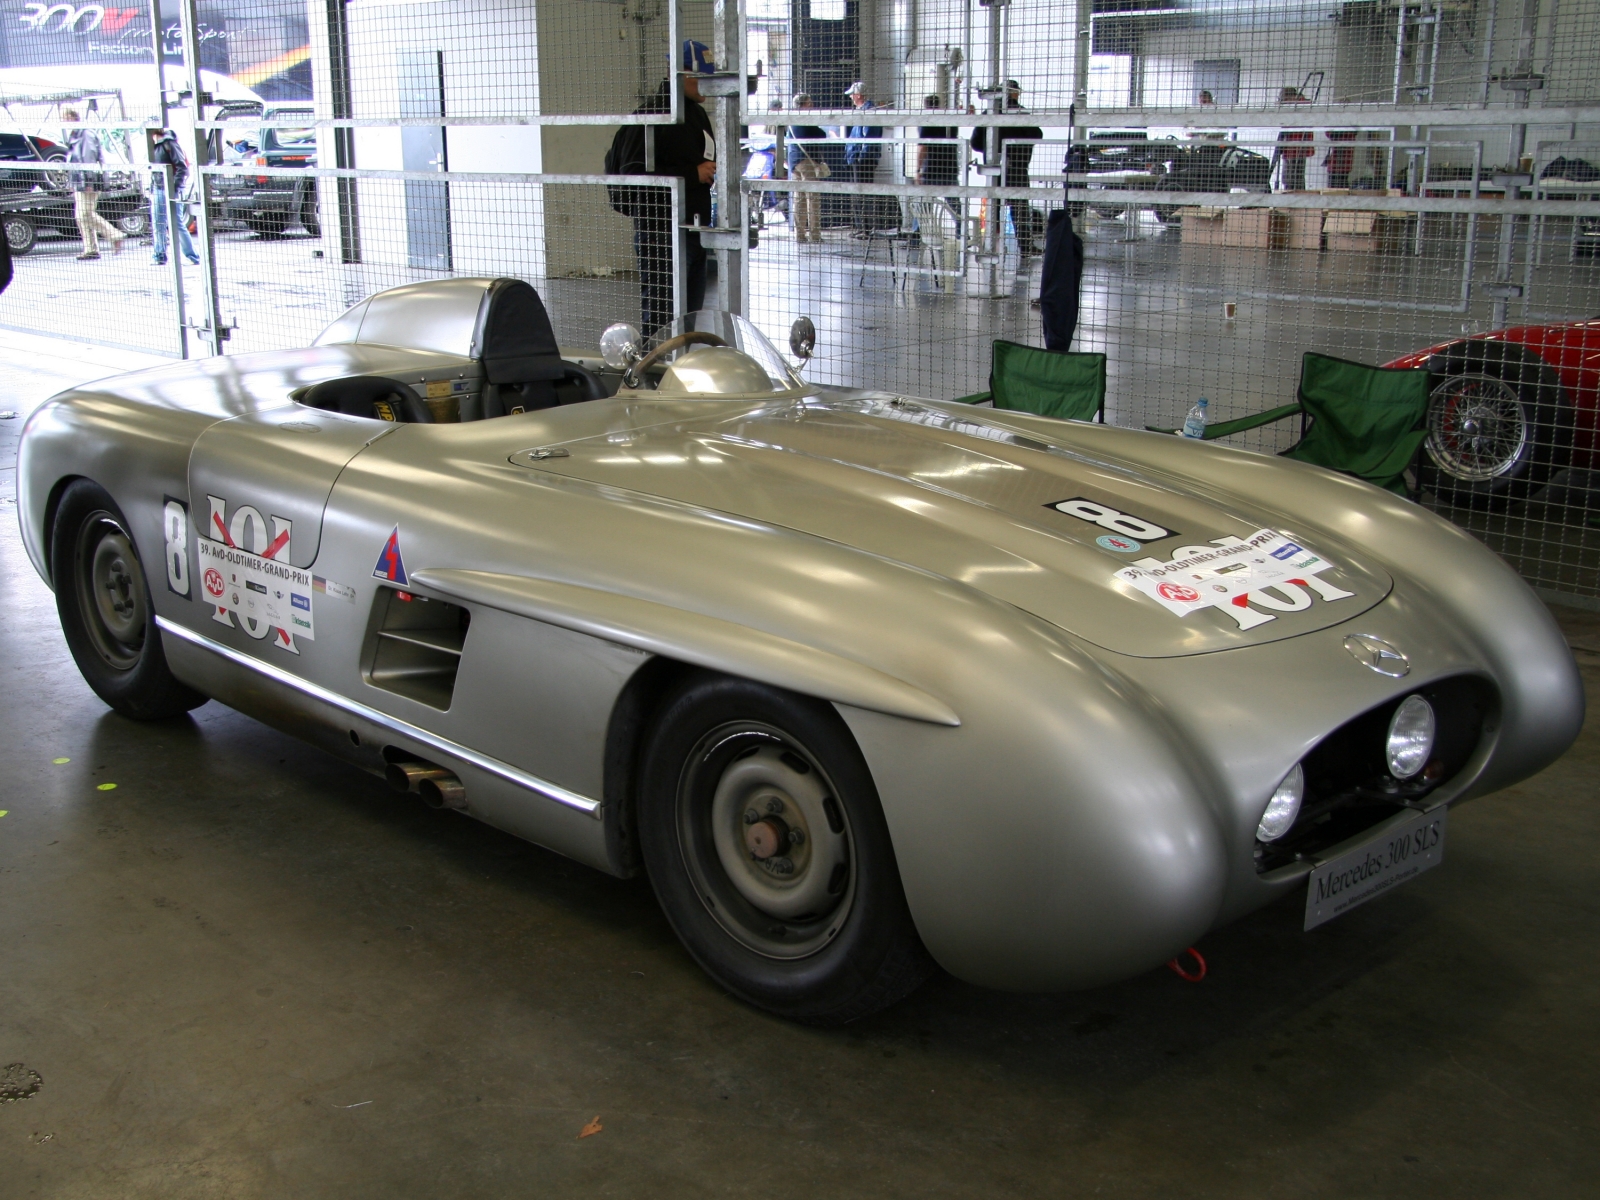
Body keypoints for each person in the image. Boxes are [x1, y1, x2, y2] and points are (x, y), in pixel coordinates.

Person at [631, 40, 717, 339]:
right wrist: (691, 174)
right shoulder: (652, 115)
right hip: (662, 234)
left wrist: (705, 173)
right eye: (702, 77)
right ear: (681, 74)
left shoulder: (696, 113)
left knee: (688, 319)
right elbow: (632, 176)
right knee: (661, 316)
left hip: (694, 230)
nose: (708, 85)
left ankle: (679, 372)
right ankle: (653, 376)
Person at [971, 80, 1043, 254]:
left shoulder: (989, 113)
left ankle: (988, 248)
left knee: (993, 208)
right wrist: (1019, 150)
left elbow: (975, 142)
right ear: (1015, 93)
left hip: (994, 169)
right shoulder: (1021, 113)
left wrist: (992, 152)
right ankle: (1026, 248)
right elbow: (1037, 135)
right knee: (1020, 210)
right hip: (1017, 169)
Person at [63, 108, 124, 260]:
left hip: (88, 180)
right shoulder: (76, 134)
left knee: (84, 213)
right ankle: (90, 248)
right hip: (79, 180)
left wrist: (88, 180)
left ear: (72, 117)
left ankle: (114, 235)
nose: (63, 121)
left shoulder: (85, 134)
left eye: (64, 117)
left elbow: (89, 158)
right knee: (80, 216)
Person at [148, 128, 199, 267]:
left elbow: (182, 167)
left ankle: (192, 256)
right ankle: (160, 255)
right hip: (160, 187)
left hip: (169, 188)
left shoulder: (168, 144)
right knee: (162, 223)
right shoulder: (158, 145)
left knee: (175, 223)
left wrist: (174, 187)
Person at [786, 94, 828, 244]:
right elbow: (821, 134)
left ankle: (800, 234)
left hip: (794, 161)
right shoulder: (805, 118)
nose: (812, 106)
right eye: (809, 103)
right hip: (806, 161)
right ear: (803, 105)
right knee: (813, 198)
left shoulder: (791, 119)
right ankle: (815, 235)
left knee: (799, 199)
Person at [842, 82, 882, 234]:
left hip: (862, 160)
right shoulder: (862, 111)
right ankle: (861, 227)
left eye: (852, 94)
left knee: (862, 194)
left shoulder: (868, 112)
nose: (851, 97)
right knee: (858, 194)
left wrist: (860, 157)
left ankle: (865, 229)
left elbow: (868, 137)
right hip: (857, 158)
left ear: (858, 95)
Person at [1271, 87, 1314, 192]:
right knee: (1293, 177)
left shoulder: (1300, 105)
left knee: (1292, 178)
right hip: (1292, 147)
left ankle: (1293, 199)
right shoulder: (1299, 105)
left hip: (1296, 147)